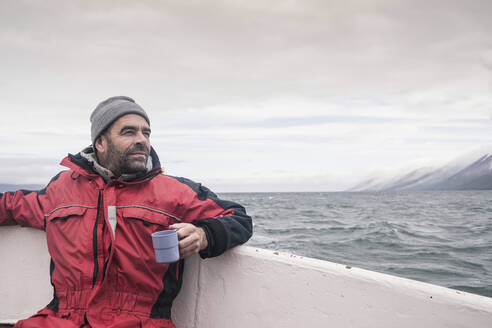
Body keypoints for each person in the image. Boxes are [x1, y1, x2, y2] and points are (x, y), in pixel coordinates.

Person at [0, 96, 253, 328]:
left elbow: (239, 219)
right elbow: (10, 206)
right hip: (62, 319)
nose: (142, 139)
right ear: (100, 142)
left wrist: (203, 235)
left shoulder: (174, 192)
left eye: (146, 132)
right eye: (129, 132)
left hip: (139, 321)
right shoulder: (61, 189)